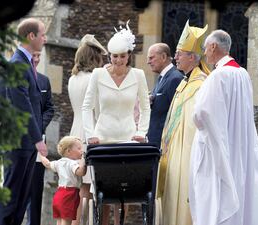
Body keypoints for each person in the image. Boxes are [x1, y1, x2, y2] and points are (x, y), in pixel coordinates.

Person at [189, 29, 258, 225]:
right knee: (241, 187)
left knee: (218, 195)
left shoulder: (218, 76)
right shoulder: (243, 74)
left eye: (205, 48)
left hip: (220, 147)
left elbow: (202, 113)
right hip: (240, 144)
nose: (204, 53)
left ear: (213, 46)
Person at [82, 20, 150, 225]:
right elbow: (87, 107)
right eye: (114, 56)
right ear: (109, 56)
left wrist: (142, 132)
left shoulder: (138, 75)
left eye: (122, 56)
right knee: (103, 193)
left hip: (129, 136)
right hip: (103, 136)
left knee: (127, 189)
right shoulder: (98, 74)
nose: (119, 60)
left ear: (128, 55)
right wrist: (90, 134)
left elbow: (146, 108)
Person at [155, 20, 210, 225]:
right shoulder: (184, 83)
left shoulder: (201, 85)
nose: (175, 57)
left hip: (187, 156)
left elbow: (194, 127)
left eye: (179, 53)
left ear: (192, 57)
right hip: (173, 154)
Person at [0, 18, 47, 225]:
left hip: (26, 144)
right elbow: (21, 105)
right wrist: (37, 139)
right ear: (30, 36)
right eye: (42, 34)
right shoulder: (17, 63)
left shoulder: (24, 62)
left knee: (20, 203)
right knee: (11, 201)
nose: (45, 38)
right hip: (19, 142)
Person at [68, 34, 107, 225]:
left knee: (77, 188)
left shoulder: (73, 78)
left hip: (75, 131)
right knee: (87, 188)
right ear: (94, 57)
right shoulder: (94, 79)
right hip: (90, 132)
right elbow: (99, 111)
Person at [25, 50, 55, 225]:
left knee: (36, 191)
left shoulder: (44, 80)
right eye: (33, 57)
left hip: (39, 145)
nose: (36, 60)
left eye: (38, 56)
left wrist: (37, 126)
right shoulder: (17, 79)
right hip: (19, 142)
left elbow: (50, 108)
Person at [40, 136, 86, 225]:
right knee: (66, 221)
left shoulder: (59, 162)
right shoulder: (73, 163)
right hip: (70, 194)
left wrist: (41, 154)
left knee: (59, 220)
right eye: (79, 148)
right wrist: (83, 161)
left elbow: (47, 164)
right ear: (69, 151)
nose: (82, 151)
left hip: (59, 194)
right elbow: (80, 172)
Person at [146, 43, 183, 147]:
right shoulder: (162, 77)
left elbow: (177, 115)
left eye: (151, 58)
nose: (148, 62)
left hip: (165, 143)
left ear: (163, 57)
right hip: (155, 141)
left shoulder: (175, 78)